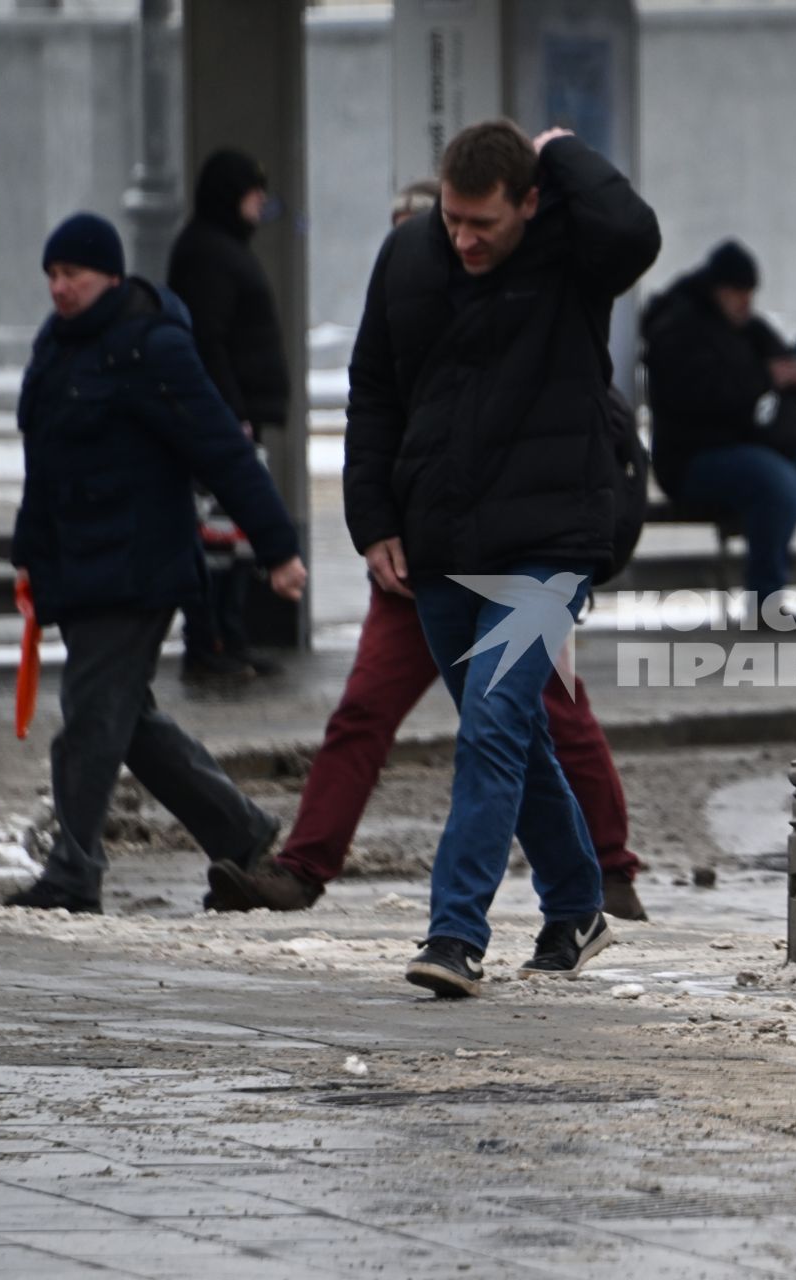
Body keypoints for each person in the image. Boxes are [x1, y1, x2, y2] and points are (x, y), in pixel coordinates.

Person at [205, 181, 650, 923]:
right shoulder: (405, 335)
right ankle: (304, 867)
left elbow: (597, 442)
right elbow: (368, 412)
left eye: (466, 231)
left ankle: (592, 880)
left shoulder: (536, 326)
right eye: (433, 233)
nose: (450, 250)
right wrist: (375, 526)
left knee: (545, 719)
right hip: (416, 567)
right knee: (366, 714)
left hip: (513, 566)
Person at [343, 119, 660, 998]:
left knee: (487, 728)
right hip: (439, 539)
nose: (464, 238)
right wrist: (373, 521)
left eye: (483, 221)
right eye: (452, 219)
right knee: (509, 728)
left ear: (528, 202)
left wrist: (561, 150)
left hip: (550, 543)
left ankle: (455, 936)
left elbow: (635, 232)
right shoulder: (408, 256)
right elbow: (372, 392)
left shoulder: (572, 255)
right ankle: (575, 905)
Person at [3, 212, 307, 914]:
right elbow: (44, 469)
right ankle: (240, 828)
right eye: (51, 275)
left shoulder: (150, 346)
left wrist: (278, 547)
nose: (59, 287)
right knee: (123, 718)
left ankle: (72, 873)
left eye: (72, 274)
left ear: (108, 275)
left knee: (88, 716)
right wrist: (30, 559)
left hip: (137, 567)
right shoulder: (56, 347)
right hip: (79, 567)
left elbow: (221, 449)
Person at [642, 239, 796, 615]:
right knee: (776, 485)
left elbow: (779, 366)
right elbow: (702, 396)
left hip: (761, 447)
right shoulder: (678, 329)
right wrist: (766, 377)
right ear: (717, 289)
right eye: (738, 293)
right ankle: (765, 600)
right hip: (695, 459)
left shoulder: (746, 328)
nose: (745, 302)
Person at [167, 149, 292, 681]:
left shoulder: (221, 248)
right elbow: (209, 339)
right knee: (218, 541)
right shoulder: (209, 252)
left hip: (235, 418)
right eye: (252, 191)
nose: (261, 201)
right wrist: (230, 412)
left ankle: (230, 638)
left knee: (233, 537)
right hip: (225, 422)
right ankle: (211, 641)